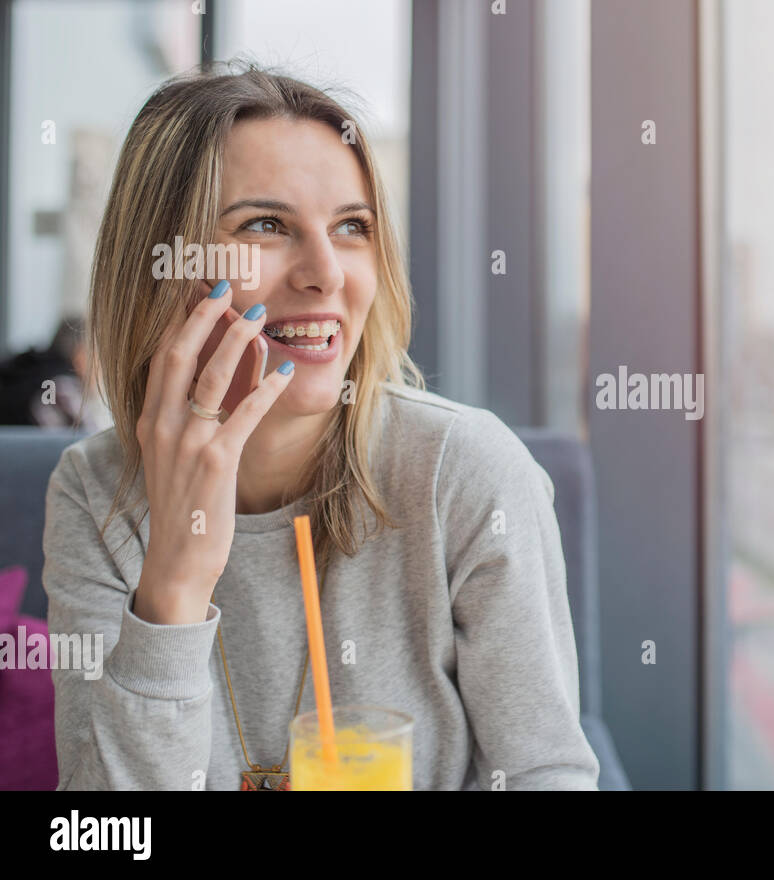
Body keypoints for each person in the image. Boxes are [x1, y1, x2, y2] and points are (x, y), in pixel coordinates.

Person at [42, 64, 599, 790]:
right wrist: (173, 587)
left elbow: (545, 774)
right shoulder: (94, 495)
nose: (327, 274)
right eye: (266, 225)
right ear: (163, 265)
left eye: (351, 227)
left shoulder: (464, 474)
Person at [0, 316, 110, 431]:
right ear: (81, 354)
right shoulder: (63, 388)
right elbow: (90, 440)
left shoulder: (26, 372)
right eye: (98, 355)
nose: (101, 367)